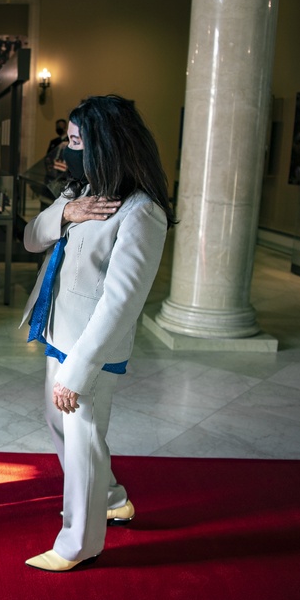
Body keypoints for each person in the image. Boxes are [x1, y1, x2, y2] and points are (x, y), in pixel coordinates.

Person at [20, 95, 177, 572]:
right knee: (58, 426)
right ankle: (111, 500)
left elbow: (120, 303)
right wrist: (65, 214)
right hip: (56, 327)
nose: (67, 152)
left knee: (83, 437)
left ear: (105, 145)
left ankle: (78, 543)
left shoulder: (141, 212)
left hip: (90, 345)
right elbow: (31, 238)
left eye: (74, 142)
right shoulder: (80, 192)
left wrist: (79, 370)